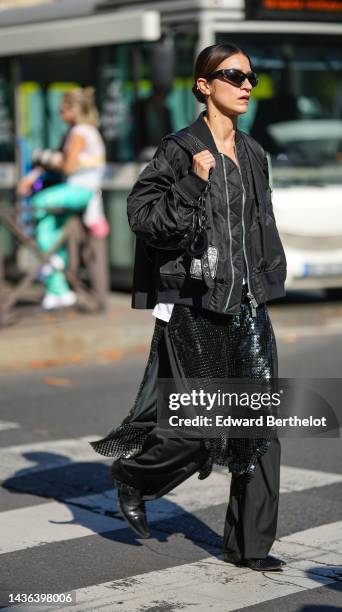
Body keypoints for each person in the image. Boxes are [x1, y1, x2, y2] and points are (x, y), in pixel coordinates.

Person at [90, 44, 287, 571]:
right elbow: (143, 217)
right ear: (204, 85)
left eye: (251, 76)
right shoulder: (181, 149)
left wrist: (266, 285)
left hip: (246, 306)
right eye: (234, 75)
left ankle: (250, 547)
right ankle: (134, 476)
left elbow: (257, 229)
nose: (247, 85)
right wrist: (191, 183)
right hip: (194, 306)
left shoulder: (252, 153)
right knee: (199, 429)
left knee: (259, 429)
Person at [18, 88, 109, 310]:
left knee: (39, 203)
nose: (60, 115)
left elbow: (67, 166)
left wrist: (47, 158)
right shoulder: (84, 131)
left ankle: (55, 267)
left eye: (62, 111)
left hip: (79, 191)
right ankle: (57, 287)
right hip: (83, 194)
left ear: (73, 111)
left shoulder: (79, 132)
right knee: (50, 228)